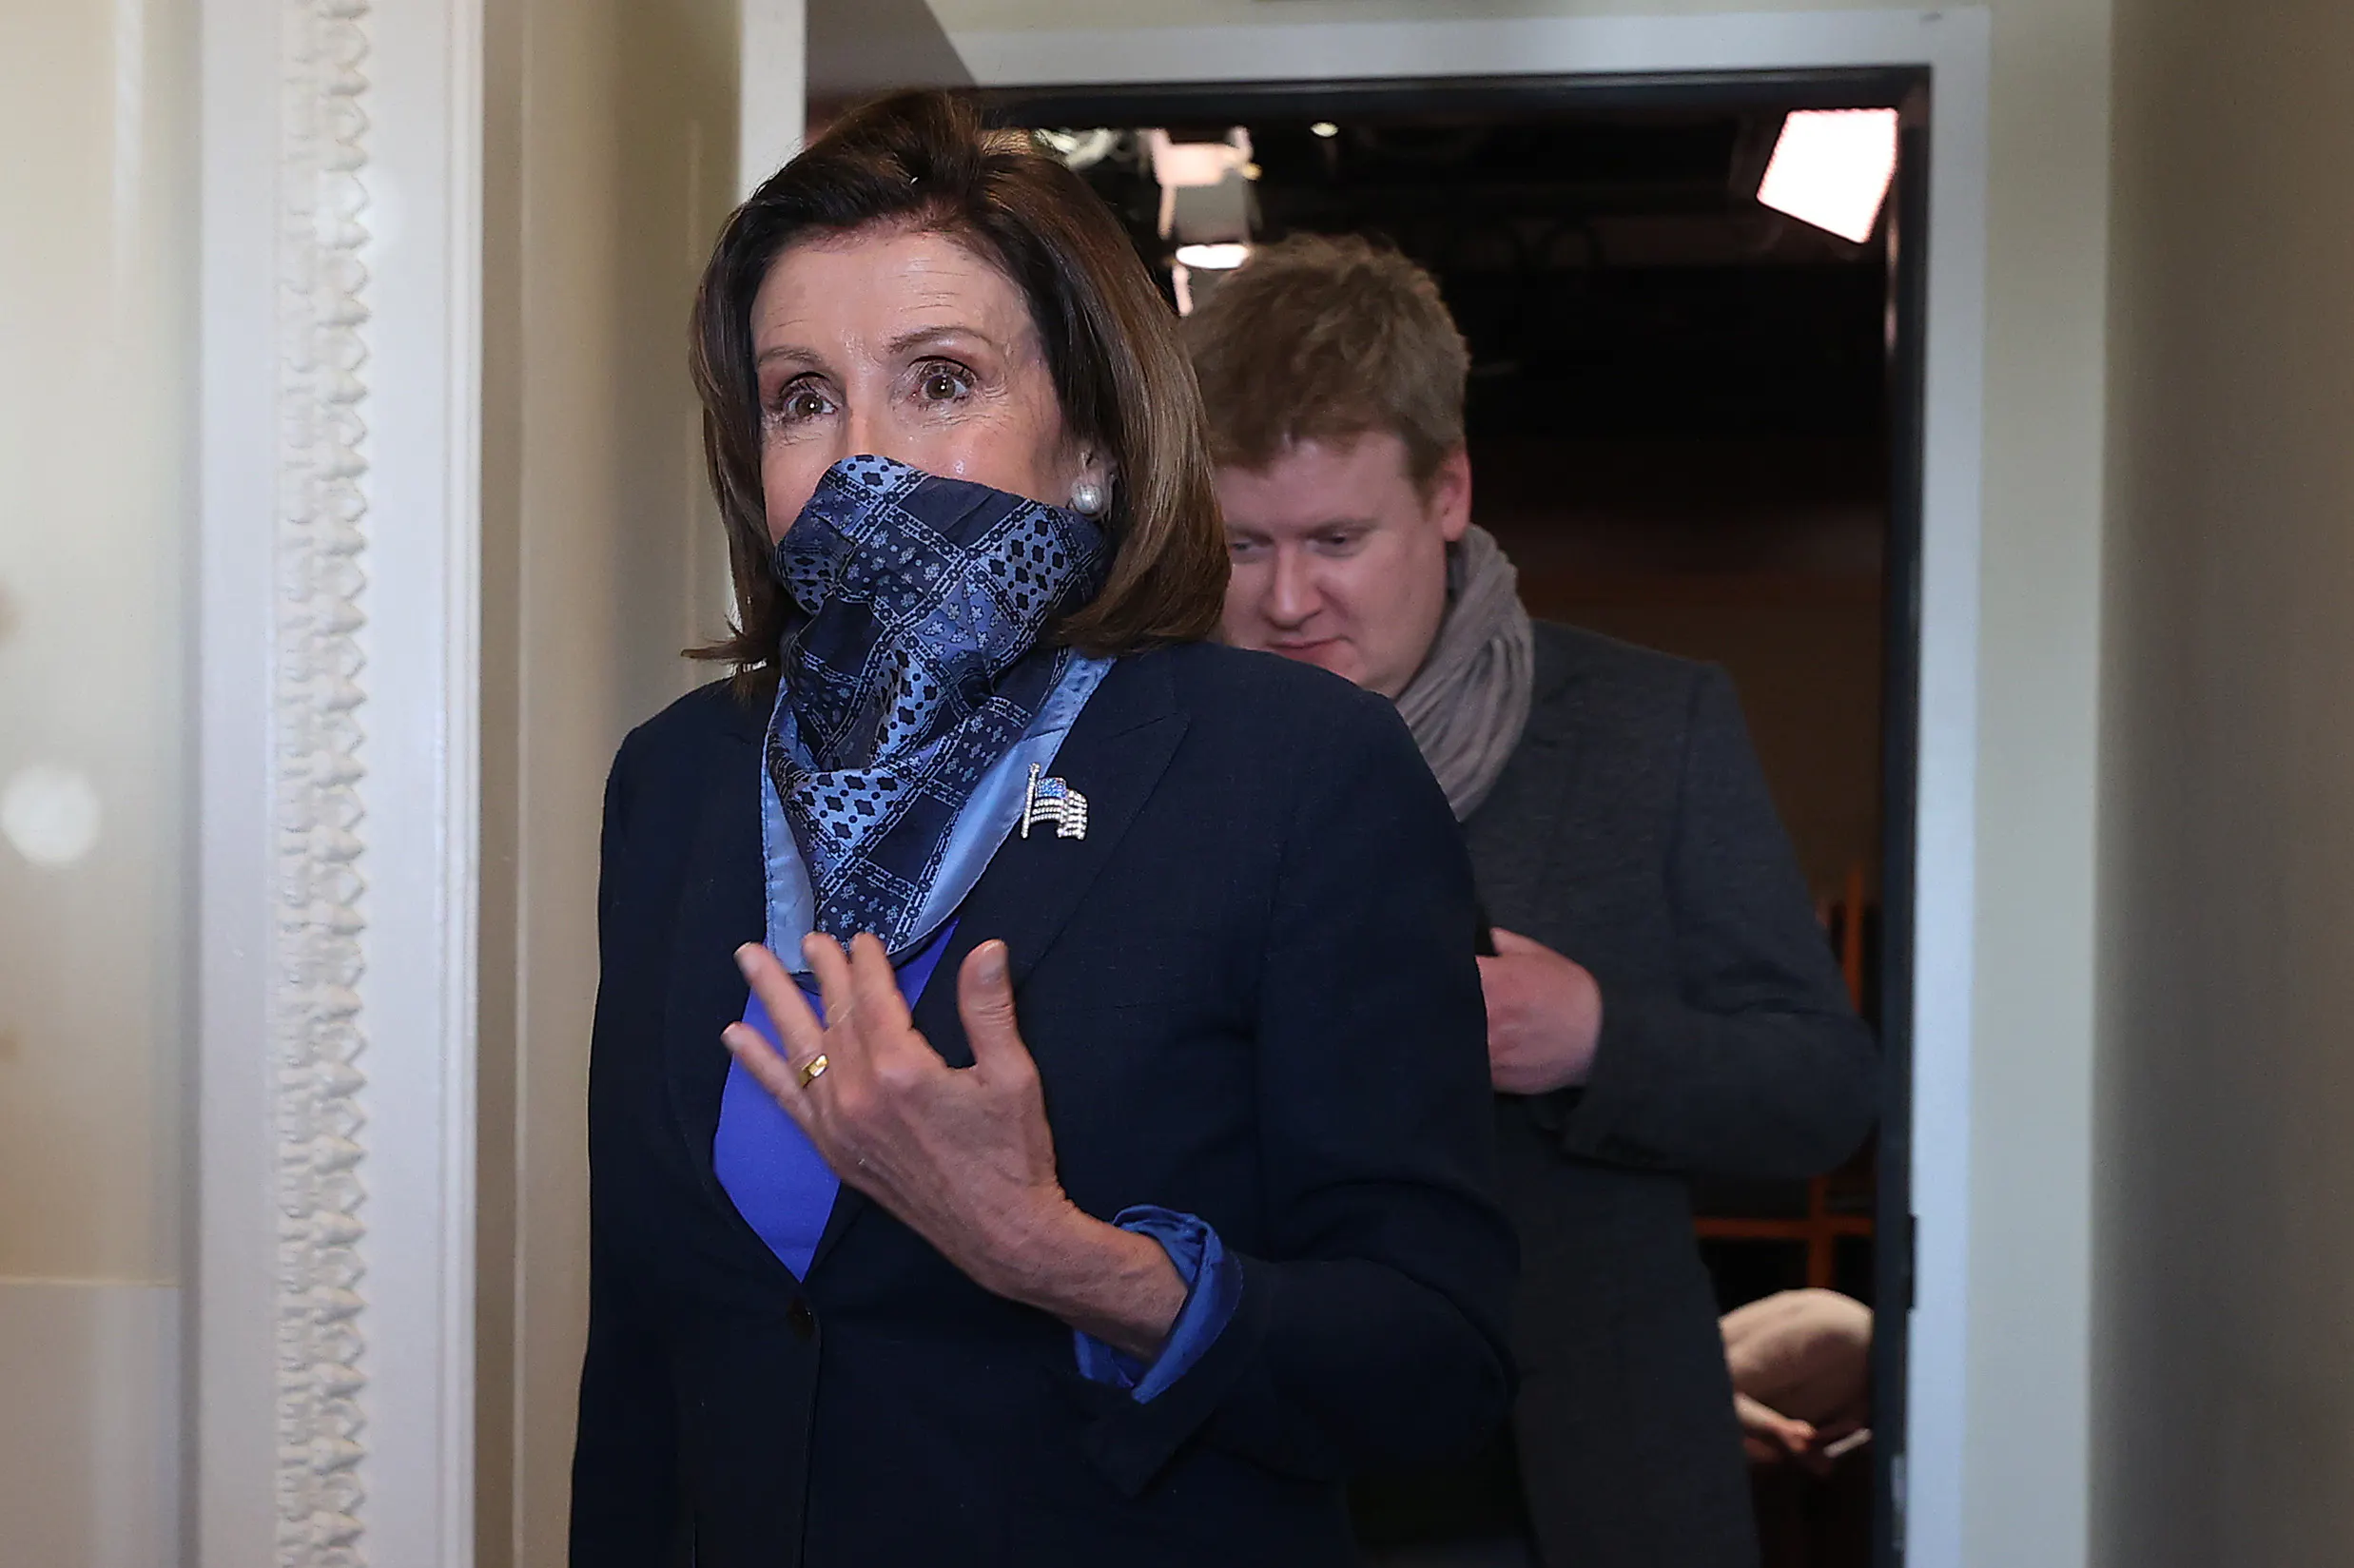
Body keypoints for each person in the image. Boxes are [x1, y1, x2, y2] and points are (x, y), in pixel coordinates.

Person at [569, 96, 1516, 1568]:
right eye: (802, 397)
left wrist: (1058, 1257)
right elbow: (643, 1352)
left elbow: (1435, 1362)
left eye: (940, 380)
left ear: (1091, 435)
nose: (861, 460)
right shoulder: (680, 780)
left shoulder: (1294, 771)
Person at [1188, 233, 1880, 1568]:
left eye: (1337, 540)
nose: (1287, 599)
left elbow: (1824, 1095)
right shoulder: (1139, 749)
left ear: (1447, 492)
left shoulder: (1649, 726)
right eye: (1242, 545)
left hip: (1578, 1493)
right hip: (1249, 1478)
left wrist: (1594, 1040)